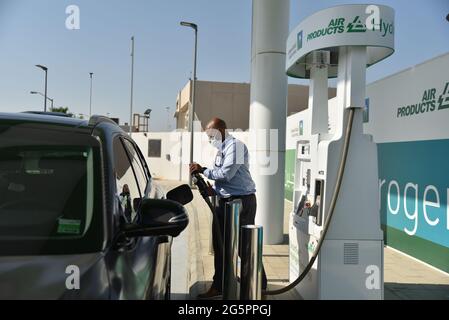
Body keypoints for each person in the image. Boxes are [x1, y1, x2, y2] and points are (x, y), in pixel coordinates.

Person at [190, 117, 267, 299]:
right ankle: (219, 286)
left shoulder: (236, 147)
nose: (210, 139)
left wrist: (203, 170)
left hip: (241, 202)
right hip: (225, 200)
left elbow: (227, 174)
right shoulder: (222, 149)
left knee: (244, 246)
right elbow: (222, 178)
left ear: (221, 131)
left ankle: (260, 287)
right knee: (220, 245)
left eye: (211, 135)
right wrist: (212, 188)